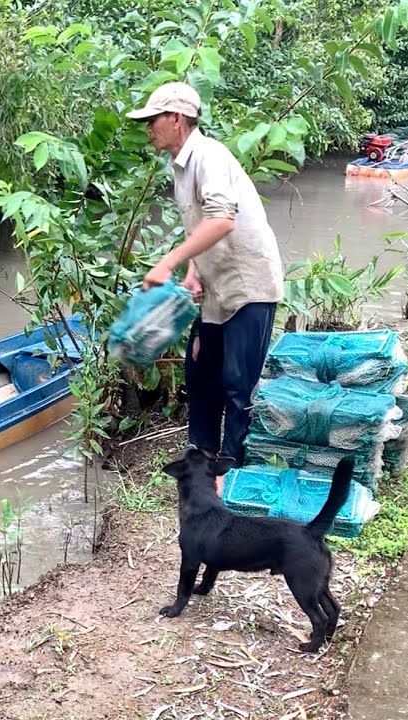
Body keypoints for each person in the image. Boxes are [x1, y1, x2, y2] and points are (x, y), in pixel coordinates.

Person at [128, 82, 284, 495]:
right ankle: (201, 459)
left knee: (237, 382)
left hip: (249, 284)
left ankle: (228, 473)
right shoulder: (180, 166)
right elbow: (201, 230)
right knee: (199, 373)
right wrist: (192, 271)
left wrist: (167, 261)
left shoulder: (210, 156)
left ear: (176, 119)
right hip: (215, 288)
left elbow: (223, 220)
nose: (148, 129)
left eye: (153, 120)